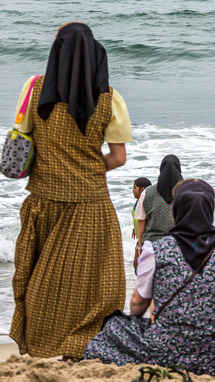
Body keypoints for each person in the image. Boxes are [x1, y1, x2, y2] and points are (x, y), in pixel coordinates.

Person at [10, 22, 131, 359]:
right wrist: (85, 169)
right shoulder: (109, 98)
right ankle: (85, 344)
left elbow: (22, 140)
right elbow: (118, 158)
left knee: (41, 280)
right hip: (92, 203)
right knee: (92, 284)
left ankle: (40, 343)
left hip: (44, 201)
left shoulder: (34, 89)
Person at [84, 179, 215, 375]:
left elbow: (138, 304)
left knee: (113, 326)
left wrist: (137, 324)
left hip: (168, 350)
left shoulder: (156, 250)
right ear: (210, 209)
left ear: (176, 209)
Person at [134, 154, 182, 267]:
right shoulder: (187, 191)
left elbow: (141, 221)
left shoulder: (147, 192)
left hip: (152, 245)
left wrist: (140, 245)